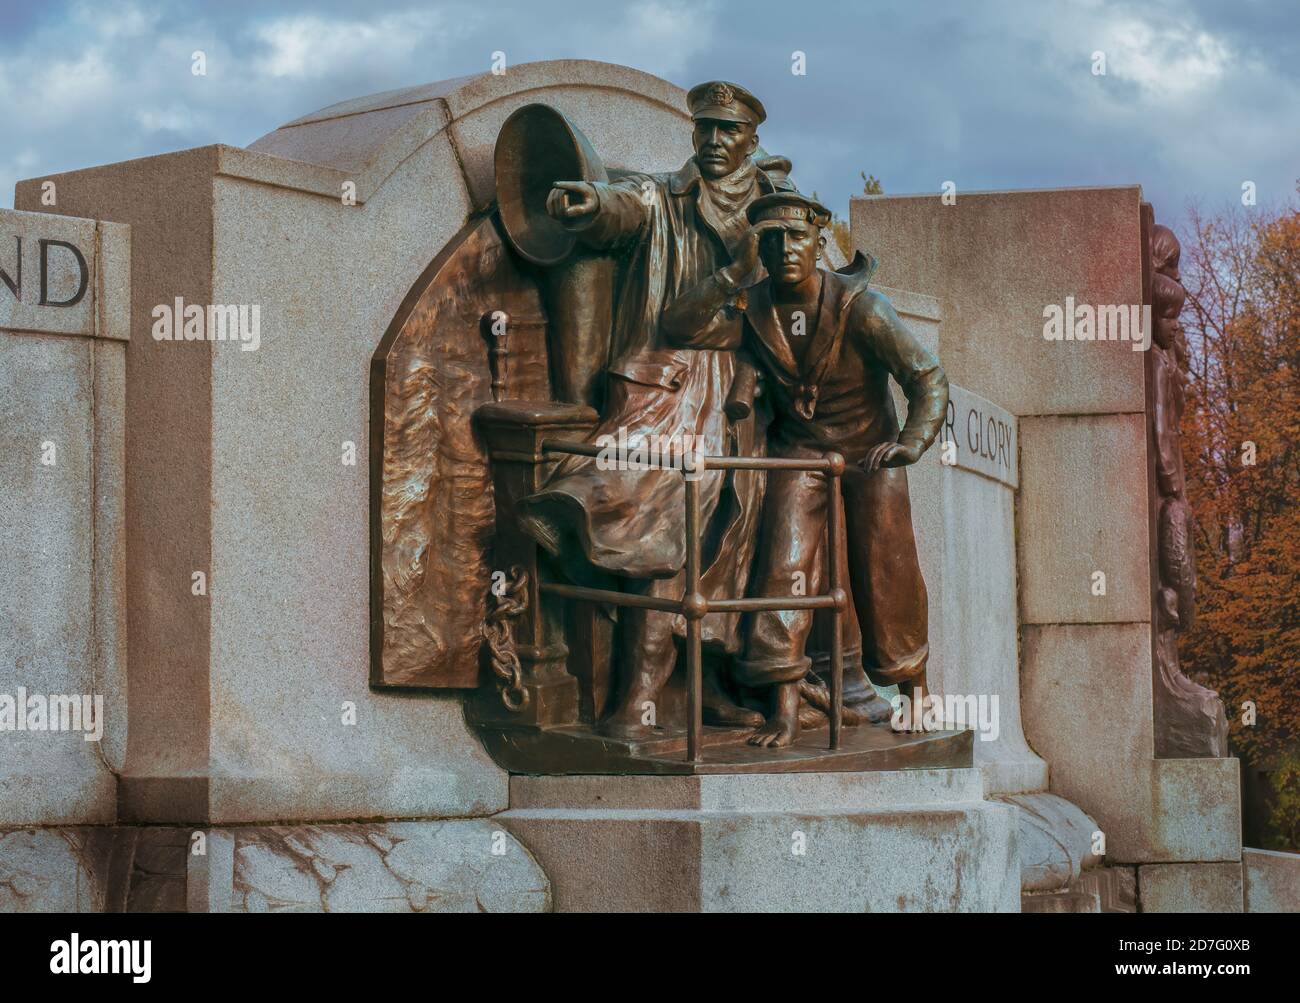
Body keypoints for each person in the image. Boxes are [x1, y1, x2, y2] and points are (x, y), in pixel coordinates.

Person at [518, 82, 790, 738]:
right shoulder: (662, 195)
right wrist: (588, 204)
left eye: (728, 130)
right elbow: (622, 209)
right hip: (670, 381)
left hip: (740, 393)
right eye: (706, 129)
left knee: (725, 541)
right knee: (669, 524)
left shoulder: (775, 211)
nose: (715, 141)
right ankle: (634, 695)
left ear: (753, 138)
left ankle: (697, 685)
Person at [662, 192, 948, 747]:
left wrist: (912, 443)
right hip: (801, 453)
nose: (783, 248)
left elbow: (927, 377)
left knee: (887, 572)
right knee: (784, 566)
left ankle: (916, 691)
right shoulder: (754, 305)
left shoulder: (862, 308)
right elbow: (678, 326)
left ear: (819, 243)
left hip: (871, 452)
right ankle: (785, 708)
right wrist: (728, 277)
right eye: (770, 239)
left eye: (795, 238)